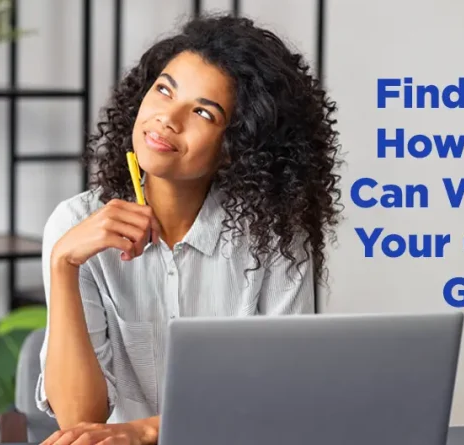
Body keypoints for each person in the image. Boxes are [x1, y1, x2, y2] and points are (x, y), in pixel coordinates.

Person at [37, 13, 342, 445]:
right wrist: (64, 263)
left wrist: (144, 431)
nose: (168, 118)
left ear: (235, 148)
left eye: (203, 111)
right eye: (164, 89)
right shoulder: (75, 225)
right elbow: (79, 420)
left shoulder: (274, 239)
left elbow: (281, 398)